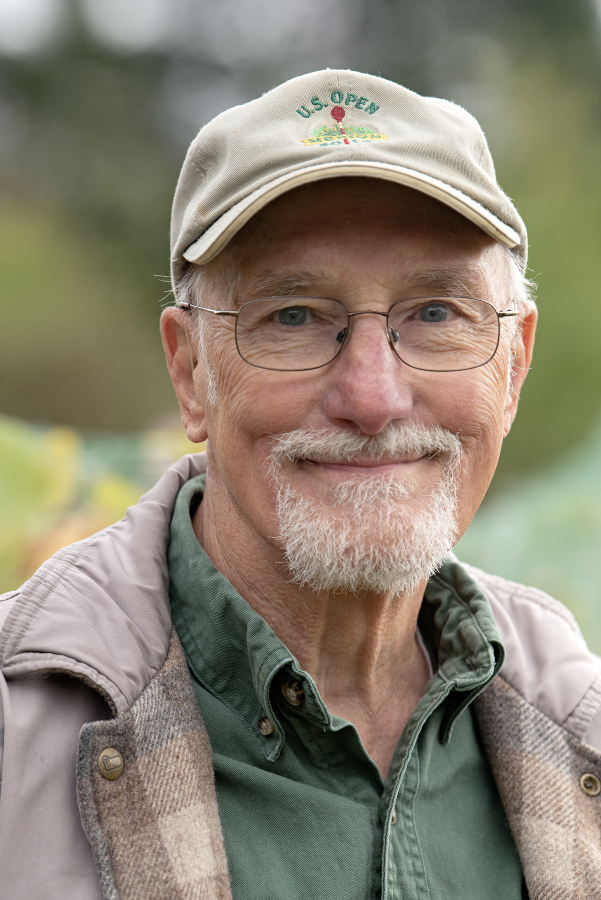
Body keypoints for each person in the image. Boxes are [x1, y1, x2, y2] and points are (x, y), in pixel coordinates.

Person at [1, 69, 600, 900]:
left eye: (434, 313)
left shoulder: (579, 724)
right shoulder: (16, 741)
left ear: (514, 364)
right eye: (293, 317)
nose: (371, 397)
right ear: (190, 372)